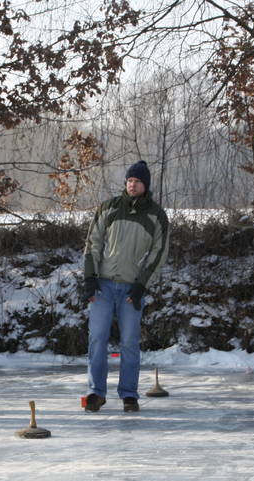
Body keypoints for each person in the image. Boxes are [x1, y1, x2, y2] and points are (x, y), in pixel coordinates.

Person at [82, 160, 169, 413]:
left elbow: (158, 253)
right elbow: (93, 243)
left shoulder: (156, 215)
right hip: (103, 286)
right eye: (130, 180)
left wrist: (141, 285)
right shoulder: (108, 208)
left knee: (130, 342)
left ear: (146, 185)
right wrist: (90, 278)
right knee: (97, 338)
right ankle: (96, 393)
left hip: (131, 288)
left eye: (137, 181)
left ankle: (129, 394)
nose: (132, 185)